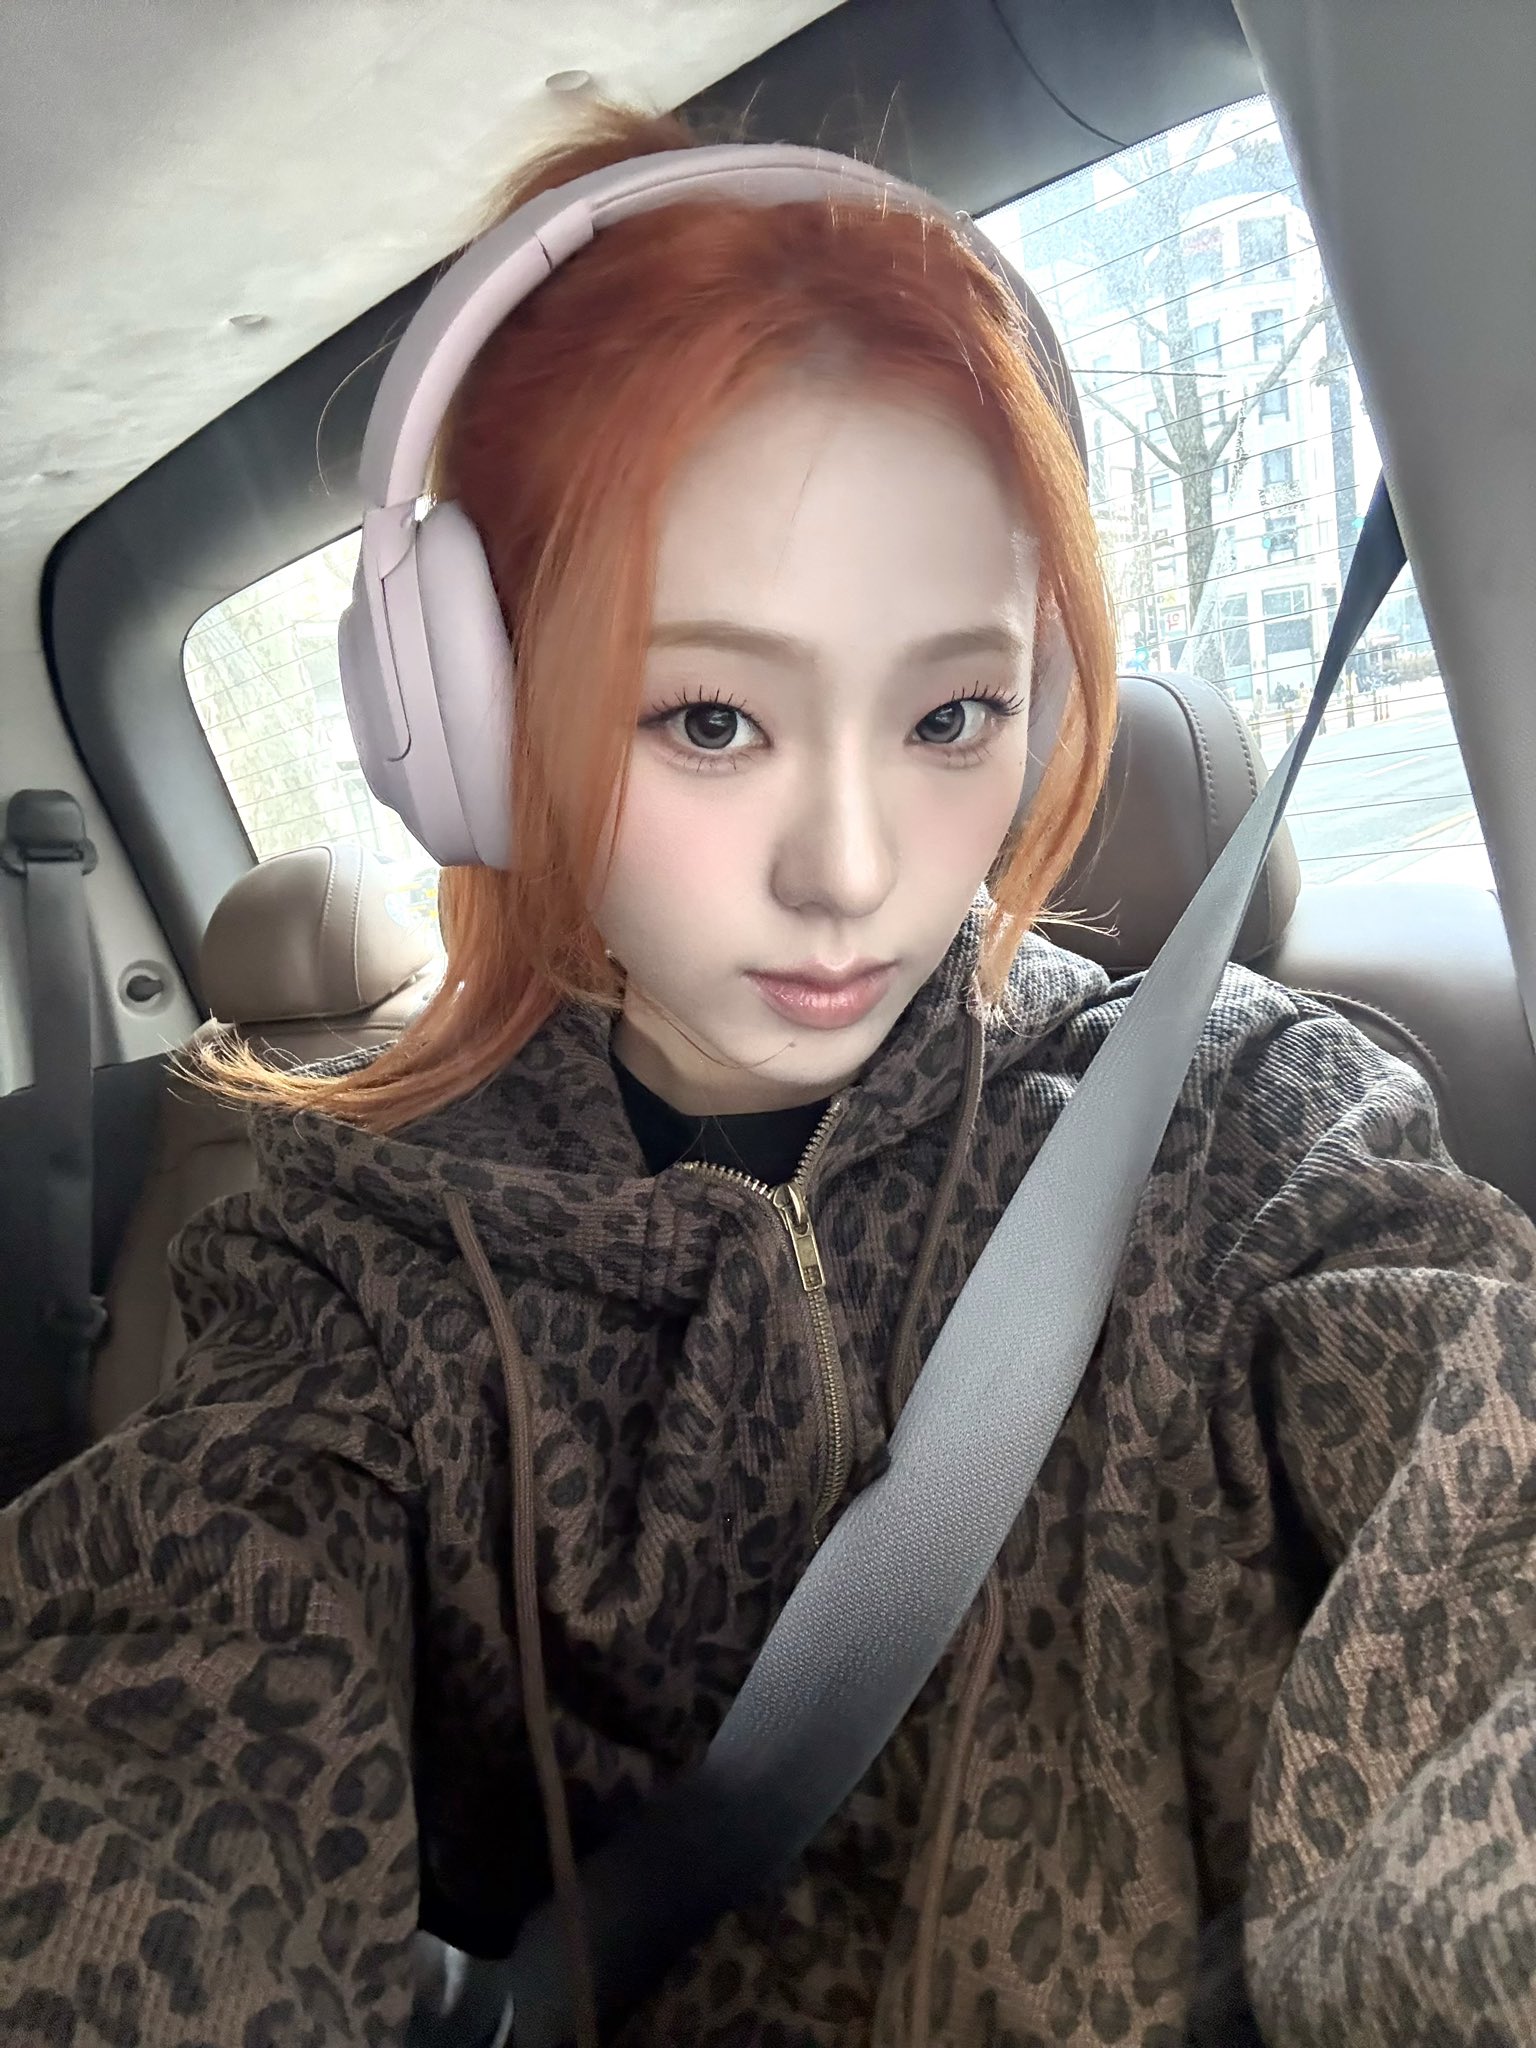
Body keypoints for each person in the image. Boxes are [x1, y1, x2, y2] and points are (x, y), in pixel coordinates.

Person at [2, 102, 1535, 2048]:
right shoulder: (359, 1271)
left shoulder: (1256, 1140)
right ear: (473, 720)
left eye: (952, 713)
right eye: (710, 719)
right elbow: (135, 1759)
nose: (853, 870)